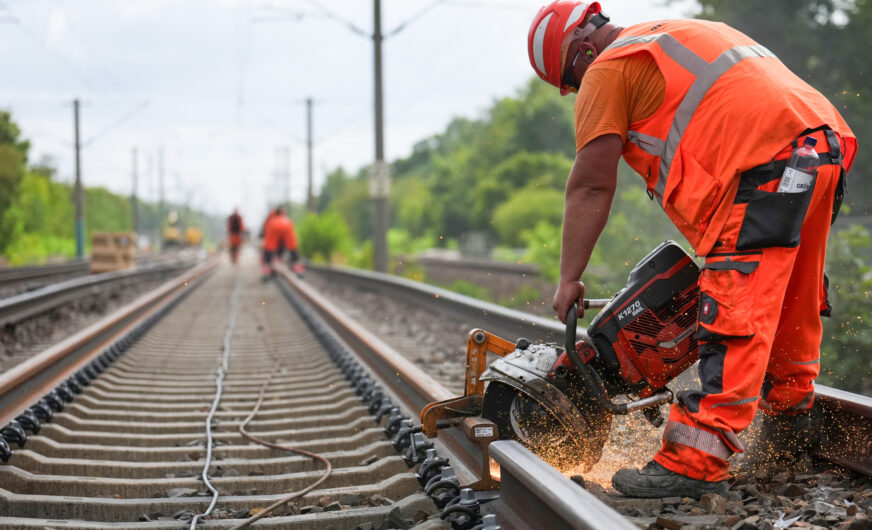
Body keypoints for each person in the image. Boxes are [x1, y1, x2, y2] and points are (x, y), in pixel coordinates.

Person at [527, 1, 857, 498]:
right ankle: (791, 426)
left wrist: (569, 277)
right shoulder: (674, 32)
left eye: (572, 84)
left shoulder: (608, 67)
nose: (579, 95)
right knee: (789, 298)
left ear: (580, 52)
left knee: (733, 305)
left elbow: (592, 185)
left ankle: (692, 462)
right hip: (819, 151)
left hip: (762, 165)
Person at [261, 207, 300, 279]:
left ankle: (267, 270)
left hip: (273, 226)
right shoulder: (286, 218)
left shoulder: (271, 218)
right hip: (286, 225)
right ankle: (297, 266)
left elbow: (265, 228)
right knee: (291, 245)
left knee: (269, 246)